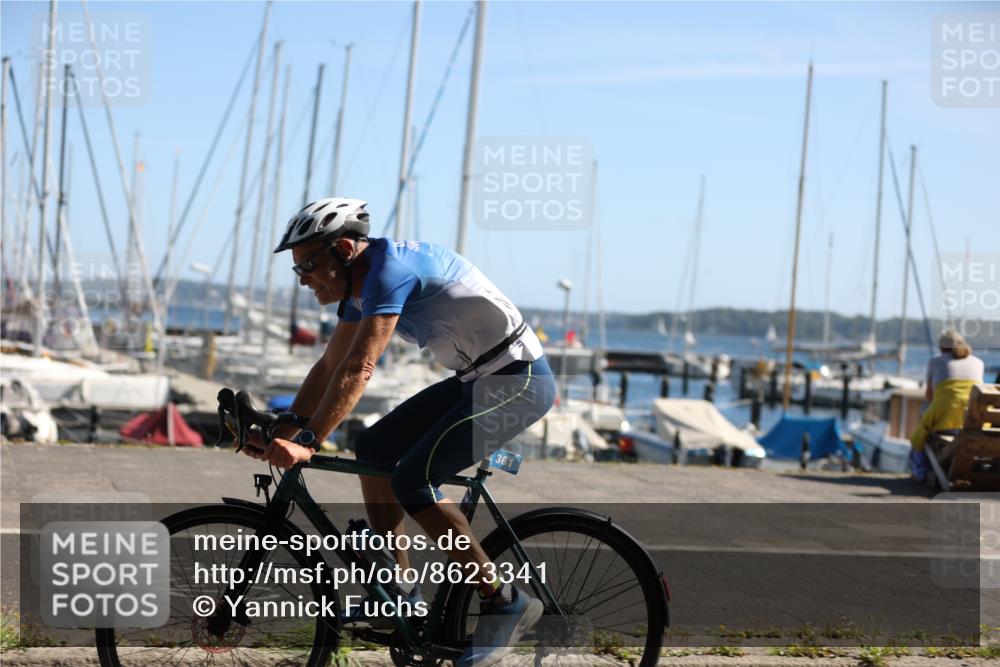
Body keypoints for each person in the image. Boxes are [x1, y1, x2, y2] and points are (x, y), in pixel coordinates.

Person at [252, 197, 557, 667]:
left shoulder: (389, 271)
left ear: (346, 249)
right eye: (297, 270)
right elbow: (331, 362)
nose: (304, 278)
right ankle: (401, 587)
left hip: (519, 381)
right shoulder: (359, 284)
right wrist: (290, 423)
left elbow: (359, 367)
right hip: (475, 379)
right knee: (373, 446)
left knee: (412, 480)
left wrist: (308, 441)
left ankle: (504, 598)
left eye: (309, 264)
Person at [909, 329, 985, 466]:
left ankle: (920, 466)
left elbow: (929, 396)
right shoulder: (978, 362)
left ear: (941, 347)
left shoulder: (935, 361)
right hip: (973, 422)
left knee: (925, 411)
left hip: (944, 423)